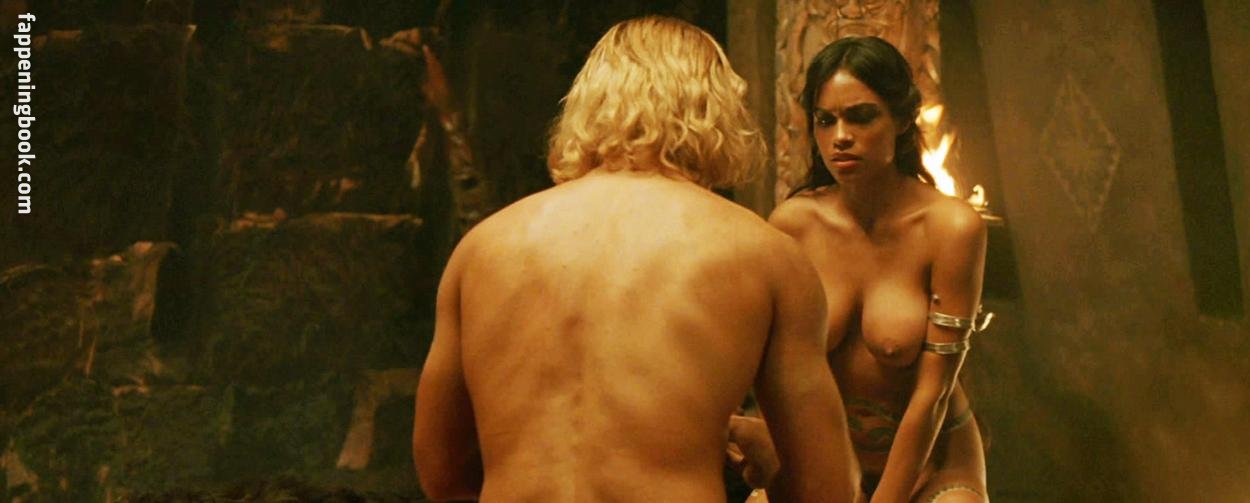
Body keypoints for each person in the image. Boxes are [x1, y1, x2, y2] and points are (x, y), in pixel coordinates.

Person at [412, 16, 861, 503]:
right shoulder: (766, 255)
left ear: (585, 109)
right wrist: (768, 461)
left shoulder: (481, 249)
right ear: (720, 114)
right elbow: (827, 490)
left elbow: (441, 473)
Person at [738, 36, 991, 502]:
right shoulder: (794, 224)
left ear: (901, 119)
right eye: (825, 120)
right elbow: (770, 372)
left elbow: (932, 394)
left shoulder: (951, 228)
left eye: (861, 116)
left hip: (933, 460)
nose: (840, 137)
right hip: (824, 461)